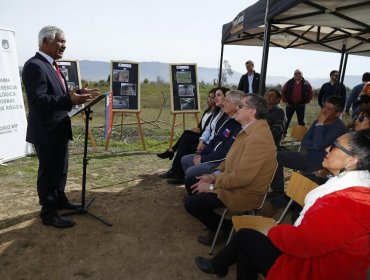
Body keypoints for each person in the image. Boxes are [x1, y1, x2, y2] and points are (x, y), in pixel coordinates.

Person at [195, 129, 370, 280]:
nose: (326, 148)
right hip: (330, 264)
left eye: (334, 146)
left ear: (351, 161)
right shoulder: (357, 191)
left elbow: (302, 243)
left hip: (315, 271)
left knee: (246, 237)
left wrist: (274, 231)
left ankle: (218, 265)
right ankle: (220, 265)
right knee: (246, 252)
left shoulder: (343, 203)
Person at [22, 26, 100, 228]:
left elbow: (57, 92)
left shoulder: (52, 65)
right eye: (60, 41)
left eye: (65, 42)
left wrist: (79, 92)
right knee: (49, 173)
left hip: (59, 129)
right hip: (46, 131)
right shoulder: (35, 66)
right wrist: (69, 100)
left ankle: (60, 200)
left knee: (61, 170)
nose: (64, 45)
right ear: (46, 42)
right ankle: (48, 214)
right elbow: (38, 99)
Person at [184, 94, 276, 245]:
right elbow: (228, 160)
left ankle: (222, 228)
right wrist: (213, 175)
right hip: (233, 183)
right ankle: (221, 225)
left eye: (241, 106)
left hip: (245, 192)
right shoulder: (248, 129)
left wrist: (213, 185)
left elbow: (242, 179)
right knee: (191, 183)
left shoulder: (258, 138)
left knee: (192, 203)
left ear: (252, 112)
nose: (237, 108)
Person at [269, 95, 347, 199]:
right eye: (324, 107)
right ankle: (278, 190)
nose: (324, 111)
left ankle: (287, 199)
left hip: (320, 163)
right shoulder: (317, 121)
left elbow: (318, 144)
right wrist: (315, 143)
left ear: (337, 113)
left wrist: (320, 124)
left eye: (329, 109)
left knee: (301, 190)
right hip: (305, 156)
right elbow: (305, 141)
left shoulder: (339, 128)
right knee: (275, 156)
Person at [181, 90, 243, 182]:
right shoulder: (228, 119)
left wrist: (203, 159)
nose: (224, 103)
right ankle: (196, 187)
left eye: (227, 101)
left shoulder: (237, 125)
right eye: (224, 100)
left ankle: (205, 190)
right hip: (213, 155)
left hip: (220, 161)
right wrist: (200, 155)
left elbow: (225, 153)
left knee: (191, 171)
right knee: (185, 159)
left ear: (236, 105)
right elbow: (215, 139)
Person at [156, 88, 217, 182]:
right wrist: (198, 129)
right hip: (201, 136)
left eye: (213, 98)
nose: (210, 99)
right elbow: (201, 126)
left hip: (205, 141)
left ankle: (174, 163)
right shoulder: (207, 112)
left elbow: (210, 131)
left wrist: (200, 131)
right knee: (186, 134)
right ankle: (174, 163)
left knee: (186, 139)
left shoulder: (216, 113)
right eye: (209, 97)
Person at [281, 69, 313, 134]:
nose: (297, 74)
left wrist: (307, 102)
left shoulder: (306, 83)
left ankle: (300, 136)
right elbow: (283, 92)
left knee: (301, 121)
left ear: (302, 75)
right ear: (293, 75)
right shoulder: (289, 82)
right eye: (296, 73)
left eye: (299, 73)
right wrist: (285, 102)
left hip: (301, 105)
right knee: (287, 120)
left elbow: (311, 93)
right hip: (290, 104)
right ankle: (283, 134)